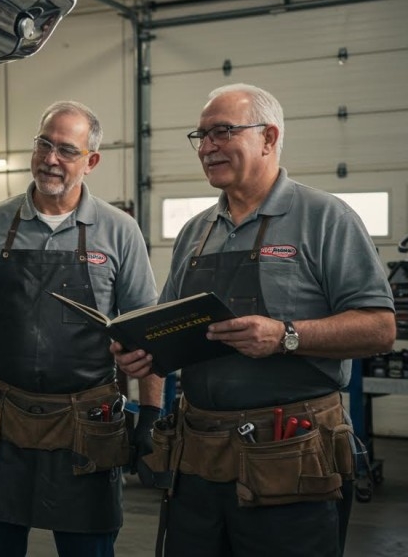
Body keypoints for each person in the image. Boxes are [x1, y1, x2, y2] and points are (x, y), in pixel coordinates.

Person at [114, 83, 395, 557]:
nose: (206, 147)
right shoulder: (195, 232)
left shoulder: (324, 217)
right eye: (200, 136)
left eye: (222, 131)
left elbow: (380, 327)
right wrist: (142, 350)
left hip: (289, 458)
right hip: (199, 459)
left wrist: (286, 336)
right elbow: (168, 326)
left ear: (268, 137)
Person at [0, 101, 161, 557]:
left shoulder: (119, 231)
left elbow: (147, 325)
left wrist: (150, 413)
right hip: (2, 422)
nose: (51, 159)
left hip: (87, 424)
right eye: (44, 144)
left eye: (66, 149)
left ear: (91, 161)